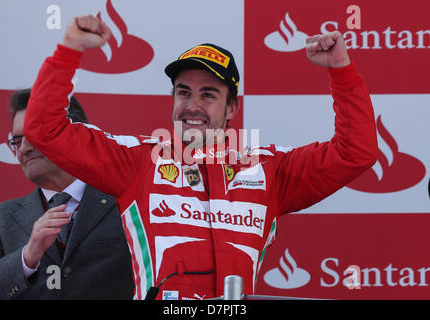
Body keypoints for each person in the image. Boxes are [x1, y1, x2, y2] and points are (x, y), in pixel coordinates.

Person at [24, 15, 378, 300]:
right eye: (183, 92)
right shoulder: (137, 162)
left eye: (208, 94)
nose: (191, 106)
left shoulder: (271, 170)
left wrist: (341, 70)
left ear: (231, 108)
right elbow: (44, 129)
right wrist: (69, 51)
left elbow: (355, 152)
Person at [0, 89, 134, 299]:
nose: (24, 148)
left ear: (74, 135)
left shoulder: (128, 206)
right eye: (16, 141)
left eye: (34, 134)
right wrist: (26, 258)